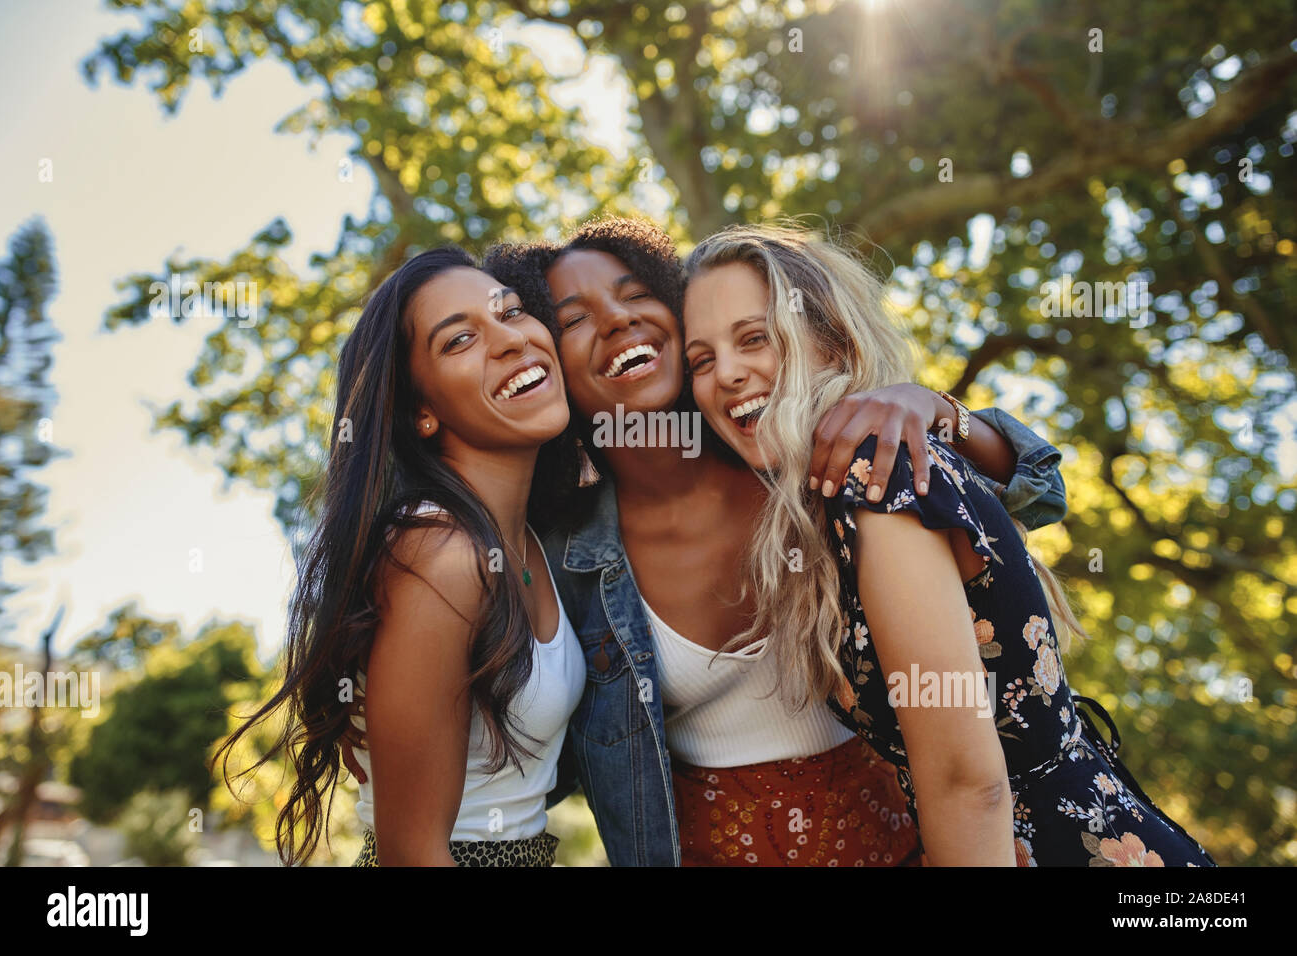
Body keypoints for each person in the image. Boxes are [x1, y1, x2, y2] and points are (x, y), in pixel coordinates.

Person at [467, 218, 1070, 865]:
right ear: (546, 362)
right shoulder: (556, 556)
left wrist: (935, 409)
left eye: (635, 293)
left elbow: (1033, 496)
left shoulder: (802, 447)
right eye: (573, 317)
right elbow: (525, 764)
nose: (617, 319)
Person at [680, 222, 1215, 866]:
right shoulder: (831, 497)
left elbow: (969, 783)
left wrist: (940, 408)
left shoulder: (878, 475)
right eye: (702, 360)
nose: (729, 374)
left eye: (754, 339)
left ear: (830, 340)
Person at [218, 247, 583, 866]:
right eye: (460, 339)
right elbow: (412, 854)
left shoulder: (532, 540)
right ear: (422, 413)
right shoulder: (438, 553)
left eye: (512, 312)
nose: (509, 340)